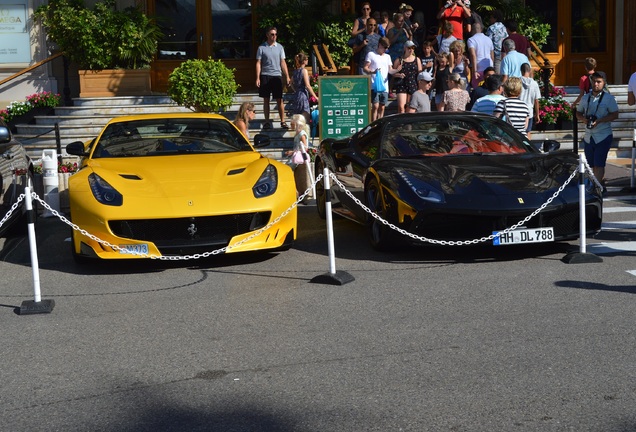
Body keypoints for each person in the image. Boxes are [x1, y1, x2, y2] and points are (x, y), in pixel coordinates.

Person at [575, 72, 619, 185]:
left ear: (604, 83)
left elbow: (615, 115)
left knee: (599, 164)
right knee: (590, 165)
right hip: (589, 137)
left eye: (599, 82)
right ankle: (594, 185)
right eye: (594, 81)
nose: (596, 84)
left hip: (603, 136)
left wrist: (599, 120)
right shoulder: (585, 98)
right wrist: (584, 119)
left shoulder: (609, 98)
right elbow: (578, 112)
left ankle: (597, 188)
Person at [255, 27, 290, 129]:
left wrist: (287, 76)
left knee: (279, 99)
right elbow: (258, 63)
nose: (274, 36)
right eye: (272, 34)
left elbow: (283, 62)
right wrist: (257, 77)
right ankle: (266, 121)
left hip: (277, 76)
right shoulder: (261, 48)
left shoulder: (280, 47)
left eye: (275, 34)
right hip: (265, 75)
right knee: (266, 99)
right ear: (267, 35)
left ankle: (282, 121)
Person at [364, 37, 400, 120]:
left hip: (384, 86)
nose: (386, 49)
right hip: (374, 84)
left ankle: (380, 122)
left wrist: (397, 70)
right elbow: (365, 68)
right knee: (375, 106)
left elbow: (390, 70)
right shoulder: (371, 54)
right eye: (385, 47)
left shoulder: (387, 56)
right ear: (379, 45)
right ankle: (373, 123)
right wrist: (373, 72)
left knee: (382, 106)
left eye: (387, 48)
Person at [392, 40, 422, 113]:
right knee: (401, 107)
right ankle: (401, 123)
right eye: (409, 48)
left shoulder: (417, 59)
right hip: (402, 84)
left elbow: (420, 74)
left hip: (413, 84)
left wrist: (420, 87)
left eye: (413, 48)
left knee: (410, 108)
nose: (411, 50)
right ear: (405, 48)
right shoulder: (399, 60)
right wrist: (399, 74)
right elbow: (392, 72)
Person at [288, 114, 311, 203]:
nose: (291, 126)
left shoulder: (301, 134)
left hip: (298, 158)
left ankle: (299, 193)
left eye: (292, 124)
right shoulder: (298, 134)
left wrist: (293, 152)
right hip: (296, 157)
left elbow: (305, 147)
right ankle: (299, 193)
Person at [291, 52, 319, 123]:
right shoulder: (304, 71)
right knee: (305, 118)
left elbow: (290, 83)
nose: (307, 61)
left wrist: (295, 90)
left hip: (296, 95)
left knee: (298, 119)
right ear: (303, 61)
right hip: (303, 95)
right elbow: (307, 85)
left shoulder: (295, 71)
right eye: (306, 59)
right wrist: (315, 97)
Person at [468, 22, 494, 89]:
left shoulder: (471, 40)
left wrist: (474, 71)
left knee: (477, 89)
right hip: (489, 66)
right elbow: (492, 55)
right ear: (481, 29)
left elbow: (473, 55)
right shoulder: (489, 39)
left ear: (472, 30)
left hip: (479, 67)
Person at [519, 63, 541, 136]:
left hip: (519, 109)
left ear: (521, 71)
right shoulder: (534, 84)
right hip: (529, 111)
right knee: (528, 132)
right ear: (529, 71)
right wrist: (537, 114)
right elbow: (536, 100)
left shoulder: (518, 82)